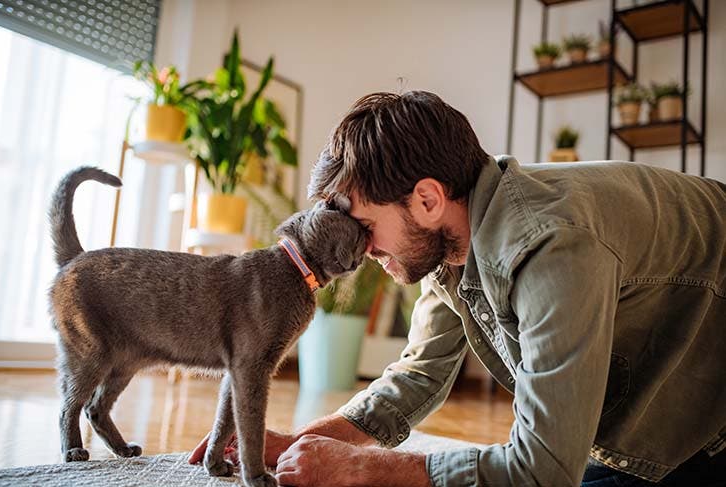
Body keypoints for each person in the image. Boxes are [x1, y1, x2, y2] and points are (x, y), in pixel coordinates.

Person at [190, 91, 726, 486]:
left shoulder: (550, 248)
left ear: (425, 199)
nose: (360, 249)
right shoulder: (453, 236)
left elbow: (543, 471)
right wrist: (314, 439)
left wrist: (367, 469)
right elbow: (420, 373)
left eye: (365, 226)